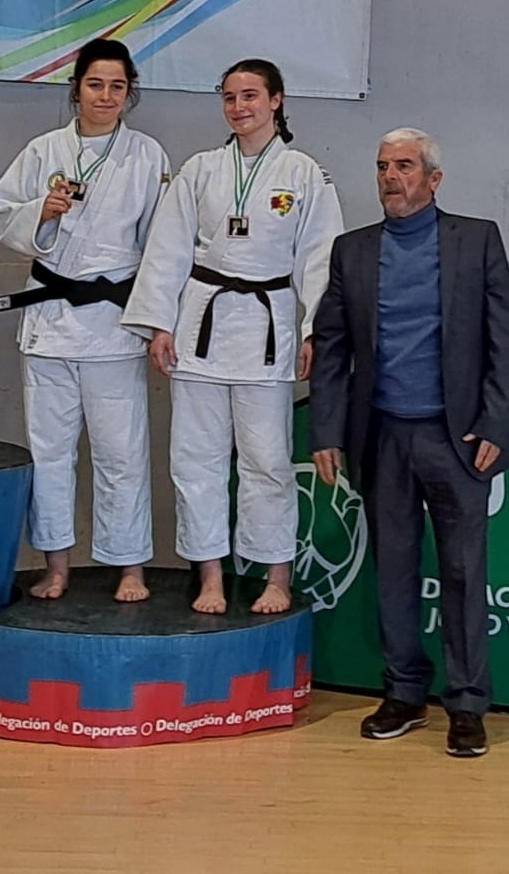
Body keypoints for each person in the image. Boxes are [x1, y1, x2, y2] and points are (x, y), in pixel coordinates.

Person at [309, 128, 509, 759]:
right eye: (382, 166)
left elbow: (504, 340)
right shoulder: (352, 251)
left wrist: (497, 424)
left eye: (403, 166)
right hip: (381, 436)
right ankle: (403, 694)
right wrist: (327, 431)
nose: (390, 177)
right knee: (393, 573)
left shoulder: (476, 240)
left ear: (433, 179)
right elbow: (332, 350)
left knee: (463, 572)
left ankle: (467, 704)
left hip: (456, 440)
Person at [123, 60, 343, 615]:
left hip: (267, 329)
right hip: (201, 325)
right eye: (229, 97)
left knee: (267, 459)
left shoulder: (303, 173)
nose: (239, 107)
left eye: (250, 96)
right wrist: (159, 323)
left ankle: (276, 577)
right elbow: (168, 250)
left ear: (276, 101)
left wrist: (315, 330)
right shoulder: (200, 170)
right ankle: (210, 577)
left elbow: (320, 258)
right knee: (195, 459)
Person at [0, 39, 170, 602]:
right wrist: (40, 213)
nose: (105, 96)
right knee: (50, 452)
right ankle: (57, 565)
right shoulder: (44, 150)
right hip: (49, 321)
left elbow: (162, 246)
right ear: (76, 89)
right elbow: (2, 211)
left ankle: (130, 566)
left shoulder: (147, 156)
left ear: (129, 92)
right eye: (95, 84)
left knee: (122, 453)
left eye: (117, 86)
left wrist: (155, 321)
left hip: (114, 324)